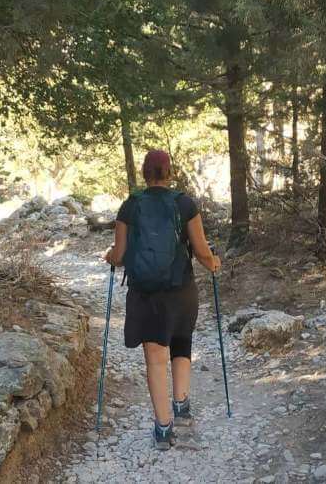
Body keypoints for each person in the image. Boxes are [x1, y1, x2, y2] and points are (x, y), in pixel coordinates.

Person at [104, 149, 221, 450]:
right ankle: (181, 403)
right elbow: (202, 251)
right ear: (169, 173)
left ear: (145, 173)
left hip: (146, 295)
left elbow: (118, 257)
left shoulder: (129, 207)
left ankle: (163, 427)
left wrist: (108, 255)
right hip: (181, 290)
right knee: (181, 341)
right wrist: (214, 264)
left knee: (155, 358)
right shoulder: (184, 204)